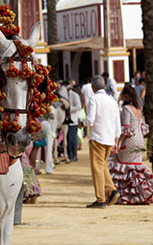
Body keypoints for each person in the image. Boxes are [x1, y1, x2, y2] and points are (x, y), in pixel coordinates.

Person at [108, 84, 153, 204]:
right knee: (135, 166)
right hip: (139, 140)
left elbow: (126, 129)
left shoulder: (126, 109)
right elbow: (141, 126)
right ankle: (140, 194)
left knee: (124, 166)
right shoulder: (138, 108)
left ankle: (124, 195)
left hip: (129, 141)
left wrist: (117, 142)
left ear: (126, 96)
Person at [84, 75, 121, 208]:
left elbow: (90, 119)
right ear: (104, 86)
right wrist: (116, 138)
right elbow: (118, 122)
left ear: (93, 88)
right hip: (110, 138)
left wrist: (82, 123)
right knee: (102, 165)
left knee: (97, 168)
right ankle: (112, 190)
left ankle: (101, 199)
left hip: (98, 137)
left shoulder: (94, 99)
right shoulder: (112, 100)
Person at [66, 80, 83, 161]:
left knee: (73, 138)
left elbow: (79, 106)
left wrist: (69, 109)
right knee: (67, 138)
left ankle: (74, 155)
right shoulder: (64, 95)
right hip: (66, 120)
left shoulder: (74, 95)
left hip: (73, 119)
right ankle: (69, 155)